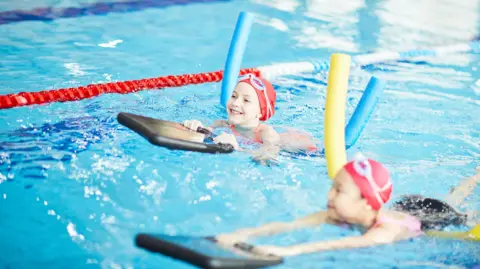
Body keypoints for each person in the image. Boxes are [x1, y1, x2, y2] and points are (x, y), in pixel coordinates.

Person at [215, 154, 479, 257]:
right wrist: (245, 234)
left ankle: (475, 176)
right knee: (452, 197)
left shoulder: (383, 233)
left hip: (431, 220)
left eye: (339, 190)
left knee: (455, 206)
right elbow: (290, 224)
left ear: (365, 203)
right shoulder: (337, 214)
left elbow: (334, 244)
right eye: (333, 186)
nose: (329, 195)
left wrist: (286, 250)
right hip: (404, 207)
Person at [183, 73, 318, 163]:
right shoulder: (223, 124)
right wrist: (195, 127)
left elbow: (266, 158)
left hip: (307, 150)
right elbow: (206, 131)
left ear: (259, 113)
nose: (235, 103)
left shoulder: (266, 133)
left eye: (246, 101)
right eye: (234, 96)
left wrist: (237, 148)